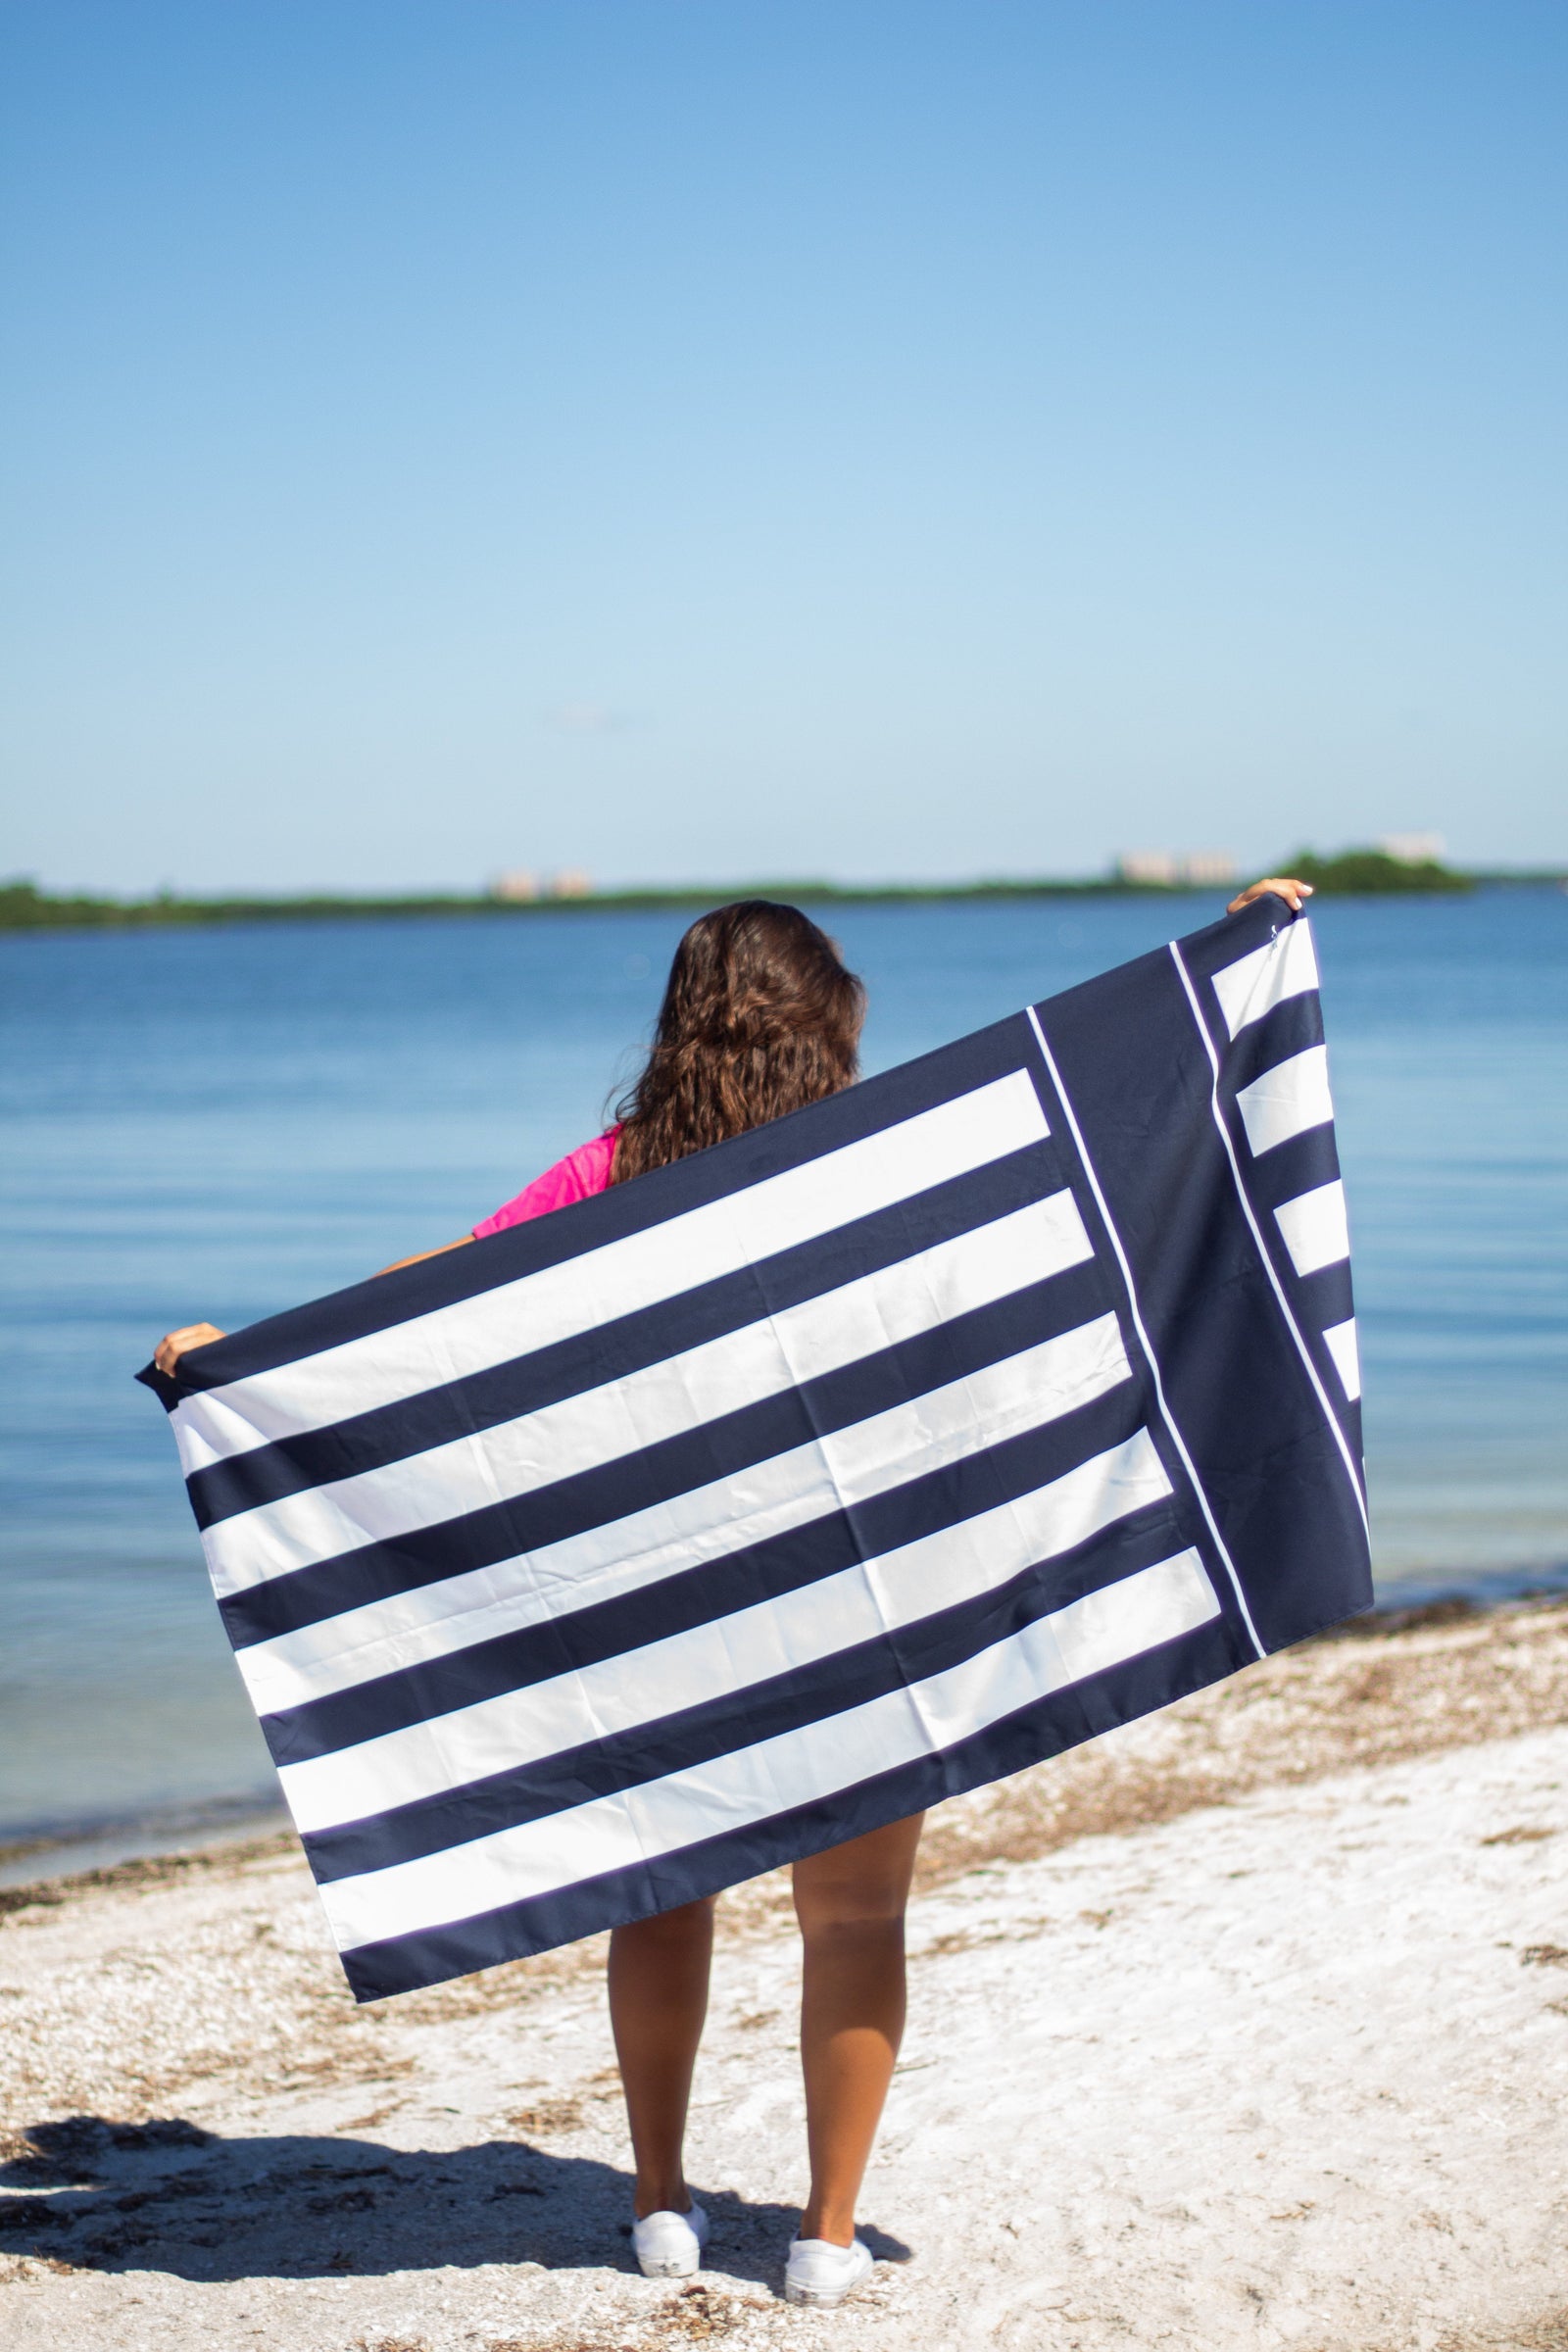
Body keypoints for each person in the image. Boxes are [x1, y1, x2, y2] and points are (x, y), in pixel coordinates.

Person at [155, 876, 1311, 2306]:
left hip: (677, 1620)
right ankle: (823, 2235)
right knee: (857, 1919)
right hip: (864, 1604)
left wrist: (244, 1361)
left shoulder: (615, 1174)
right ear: (821, 1033)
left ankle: (655, 2201)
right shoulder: (873, 1162)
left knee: (662, 1900)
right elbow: (1085, 1165)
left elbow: (437, 1305)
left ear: (684, 1023)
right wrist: (1229, 963)